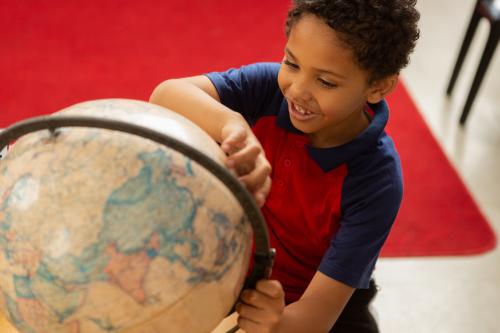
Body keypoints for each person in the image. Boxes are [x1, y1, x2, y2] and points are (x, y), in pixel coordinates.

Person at [149, 0, 420, 332]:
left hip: (312, 311)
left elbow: (314, 318)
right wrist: (230, 124)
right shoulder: (267, 89)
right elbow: (165, 95)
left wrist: (276, 323)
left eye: (326, 82)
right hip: (228, 271)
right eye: (291, 63)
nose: (297, 90)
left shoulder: (377, 181)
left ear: (378, 86)